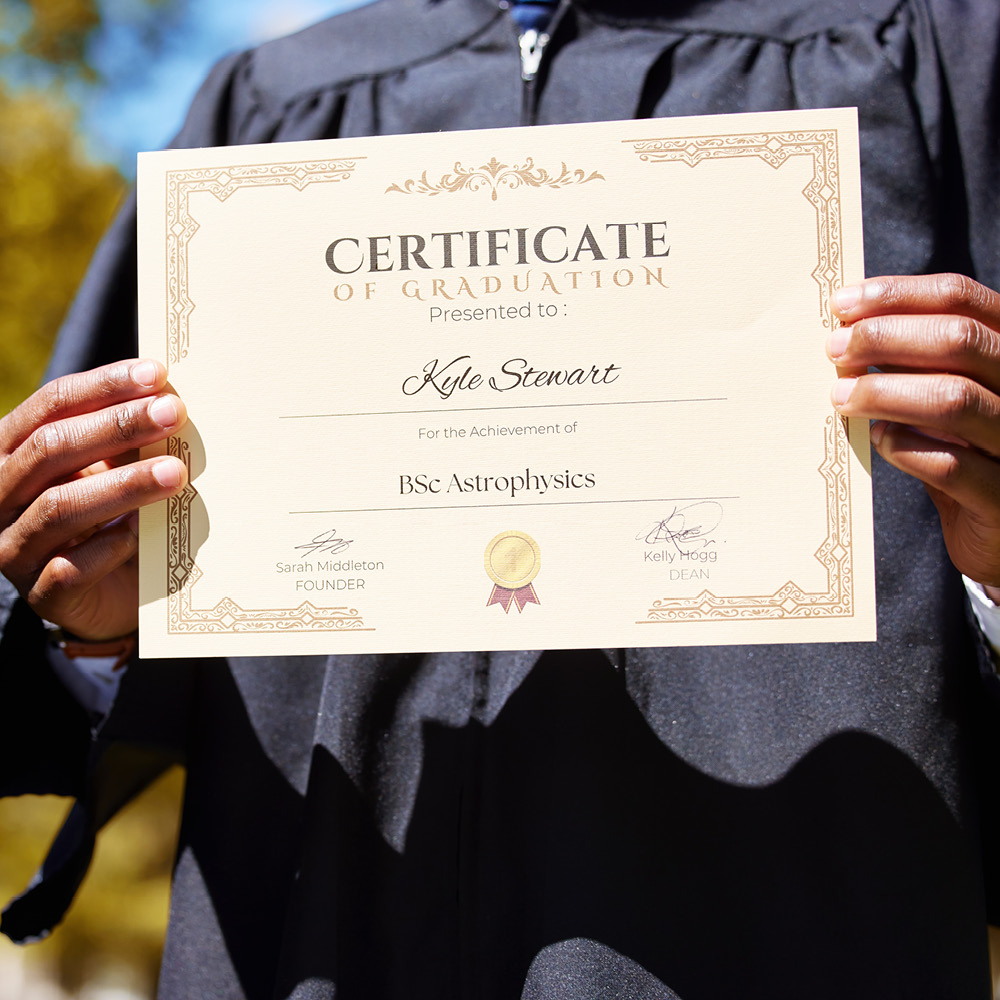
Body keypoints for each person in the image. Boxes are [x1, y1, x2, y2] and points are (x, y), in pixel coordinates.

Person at [3, 0, 1000, 996]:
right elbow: (95, 604)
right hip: (321, 937)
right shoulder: (268, 112)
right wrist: (84, 632)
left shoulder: (922, 54)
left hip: (800, 938)